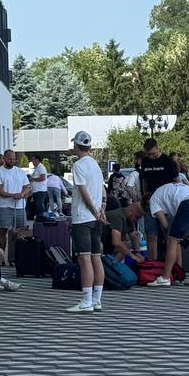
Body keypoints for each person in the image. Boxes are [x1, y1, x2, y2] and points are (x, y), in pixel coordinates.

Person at [65, 132, 106, 313]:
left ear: (77, 145)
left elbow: (83, 192)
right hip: (96, 218)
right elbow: (102, 190)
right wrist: (101, 210)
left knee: (84, 258)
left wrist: (94, 211)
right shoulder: (95, 164)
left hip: (83, 217)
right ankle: (97, 299)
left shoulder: (78, 165)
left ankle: (86, 300)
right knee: (96, 257)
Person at [149, 176, 189, 286]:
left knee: (172, 240)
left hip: (187, 204)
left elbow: (165, 225)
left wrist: (167, 235)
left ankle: (165, 277)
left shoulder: (153, 200)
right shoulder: (170, 188)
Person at [139, 138, 178, 260]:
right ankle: (153, 264)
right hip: (150, 202)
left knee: (169, 234)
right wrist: (144, 195)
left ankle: (172, 263)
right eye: (148, 154)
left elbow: (177, 181)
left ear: (158, 148)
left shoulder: (167, 160)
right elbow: (144, 180)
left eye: (153, 154)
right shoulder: (145, 161)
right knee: (151, 235)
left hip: (166, 202)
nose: (151, 157)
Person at [0, 150, 31, 251]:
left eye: (14, 159)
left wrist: (22, 194)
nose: (12, 161)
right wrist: (12, 195)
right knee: (3, 231)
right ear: (4, 158)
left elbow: (27, 186)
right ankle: (1, 255)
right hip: (4, 206)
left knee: (22, 231)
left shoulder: (20, 172)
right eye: (10, 159)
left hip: (20, 206)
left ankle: (20, 254)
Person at [27, 153, 49, 220]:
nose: (32, 161)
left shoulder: (41, 167)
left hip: (40, 190)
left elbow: (43, 178)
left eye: (33, 159)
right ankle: (38, 217)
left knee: (38, 204)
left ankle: (43, 217)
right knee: (34, 204)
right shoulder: (37, 168)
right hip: (36, 190)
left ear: (37, 160)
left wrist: (33, 179)